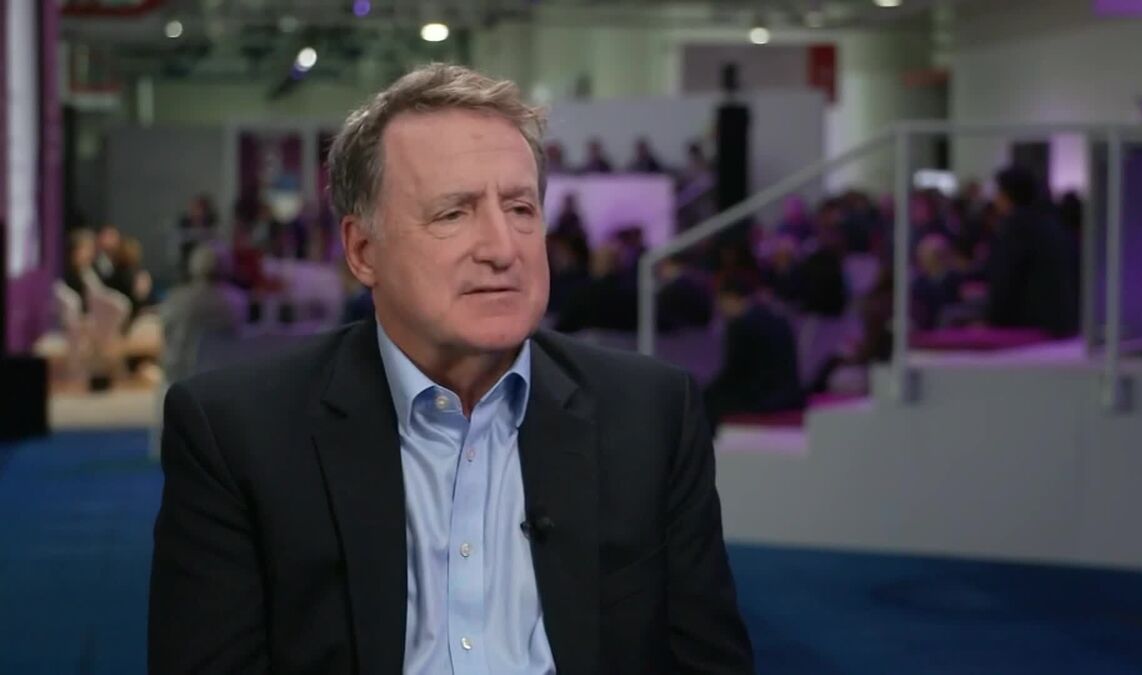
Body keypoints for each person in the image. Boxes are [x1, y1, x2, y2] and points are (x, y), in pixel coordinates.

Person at [149, 63, 753, 675]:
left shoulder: (653, 415)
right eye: (452, 214)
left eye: (520, 208)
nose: (502, 248)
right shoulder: (237, 435)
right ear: (362, 250)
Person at [704, 273, 804, 428]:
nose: (719, 308)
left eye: (720, 301)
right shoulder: (778, 319)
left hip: (762, 397)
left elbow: (734, 373)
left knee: (705, 401)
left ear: (730, 298)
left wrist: (705, 391)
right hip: (790, 394)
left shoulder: (739, 326)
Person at [986, 165, 1076, 336]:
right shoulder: (1052, 223)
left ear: (1006, 195)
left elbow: (1006, 280)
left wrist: (991, 322)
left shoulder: (1016, 227)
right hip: (1062, 322)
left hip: (1028, 326)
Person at [158, 244, 245, 383]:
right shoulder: (238, 300)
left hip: (179, 374)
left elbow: (165, 333)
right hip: (223, 376)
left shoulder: (176, 298)